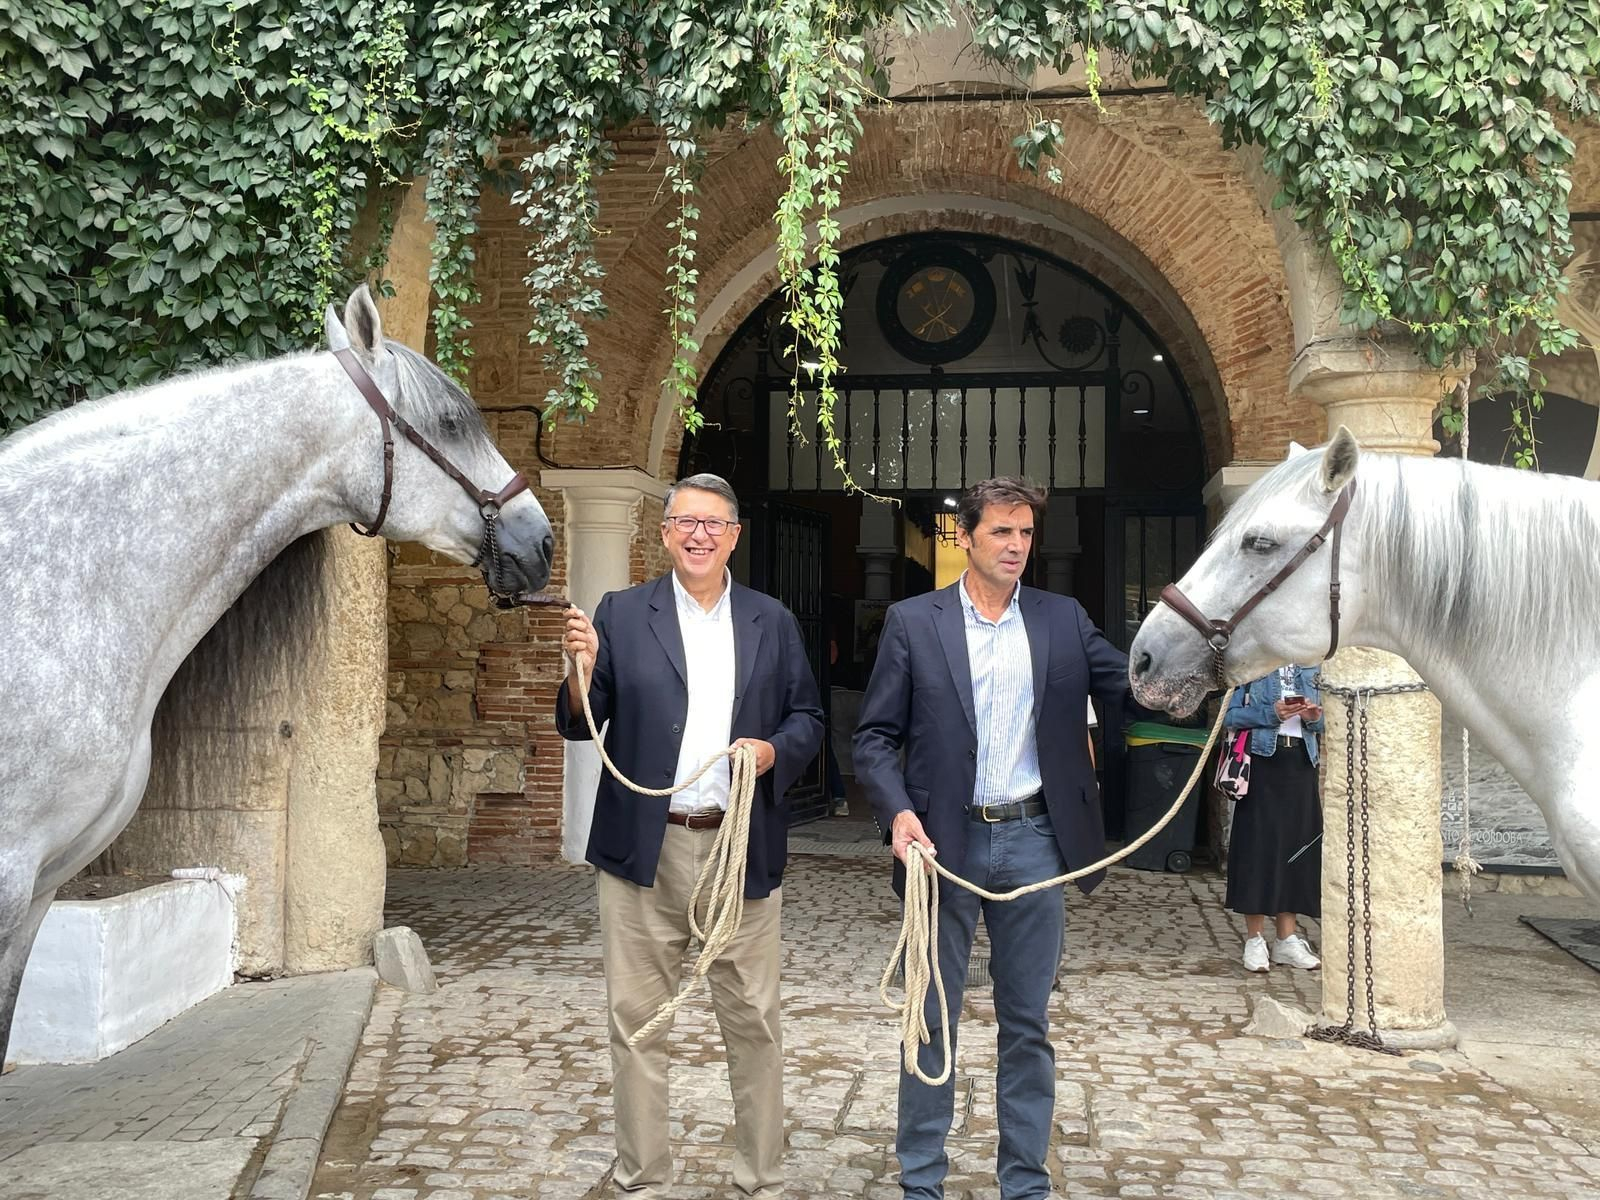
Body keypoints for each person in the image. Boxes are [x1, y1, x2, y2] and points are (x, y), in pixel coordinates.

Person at [853, 476, 1132, 1200]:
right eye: (1002, 532)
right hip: (942, 847)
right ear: (966, 536)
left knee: (1027, 1025)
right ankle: (922, 1183)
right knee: (930, 1017)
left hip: (1036, 839)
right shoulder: (914, 622)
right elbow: (875, 739)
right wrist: (896, 813)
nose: (1016, 546)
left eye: (1026, 533)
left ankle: (1024, 1184)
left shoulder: (1063, 618)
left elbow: (1134, 684)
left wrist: (1214, 661)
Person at [557, 473, 824, 1199]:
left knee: (755, 1024)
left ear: (735, 535)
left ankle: (760, 1177)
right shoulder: (620, 612)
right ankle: (644, 1176)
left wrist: (771, 753)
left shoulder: (772, 619)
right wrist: (581, 670)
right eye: (685, 522)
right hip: (645, 849)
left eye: (714, 523)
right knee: (637, 1024)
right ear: (666, 533)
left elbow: (809, 721)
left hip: (740, 849)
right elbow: (579, 723)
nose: (699, 534)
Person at [1222, 664, 1324, 973]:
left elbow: (1329, 722)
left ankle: (1286, 939)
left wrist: (1314, 718)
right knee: (1258, 849)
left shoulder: (1313, 666)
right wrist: (1272, 713)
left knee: (1296, 849)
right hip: (1262, 765)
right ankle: (1254, 939)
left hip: (1301, 763)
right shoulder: (1251, 665)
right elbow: (1228, 717)